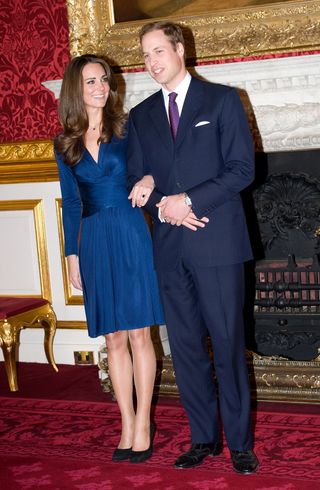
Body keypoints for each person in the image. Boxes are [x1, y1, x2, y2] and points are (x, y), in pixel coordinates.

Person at [127, 21, 259, 474]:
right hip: (169, 247)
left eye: (159, 51)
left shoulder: (222, 100)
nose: (152, 62)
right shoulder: (141, 115)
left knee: (226, 345)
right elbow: (136, 178)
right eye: (145, 55)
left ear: (180, 50)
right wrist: (164, 203)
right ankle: (202, 438)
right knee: (184, 349)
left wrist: (190, 201)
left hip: (218, 244)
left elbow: (242, 169)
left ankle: (240, 443)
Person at [54, 54, 164, 464]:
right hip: (95, 239)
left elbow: (154, 168)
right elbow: (70, 204)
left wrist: (150, 179)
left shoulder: (128, 127)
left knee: (139, 333)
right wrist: (71, 254)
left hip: (132, 232)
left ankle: (143, 424)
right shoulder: (63, 143)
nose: (101, 87)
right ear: (75, 91)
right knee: (113, 337)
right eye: (91, 82)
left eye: (104, 80)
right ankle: (126, 421)